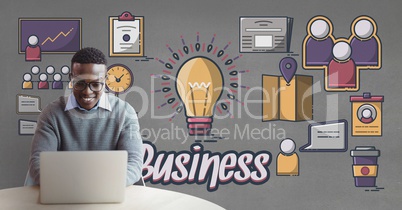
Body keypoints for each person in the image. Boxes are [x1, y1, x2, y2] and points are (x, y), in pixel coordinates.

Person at [27, 47, 143, 186]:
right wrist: (72, 187)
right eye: (80, 83)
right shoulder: (51, 114)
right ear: (71, 78)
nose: (87, 92)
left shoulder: (125, 112)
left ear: (105, 80)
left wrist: (106, 185)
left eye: (95, 84)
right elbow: (38, 162)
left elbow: (134, 162)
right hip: (63, 193)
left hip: (109, 191)